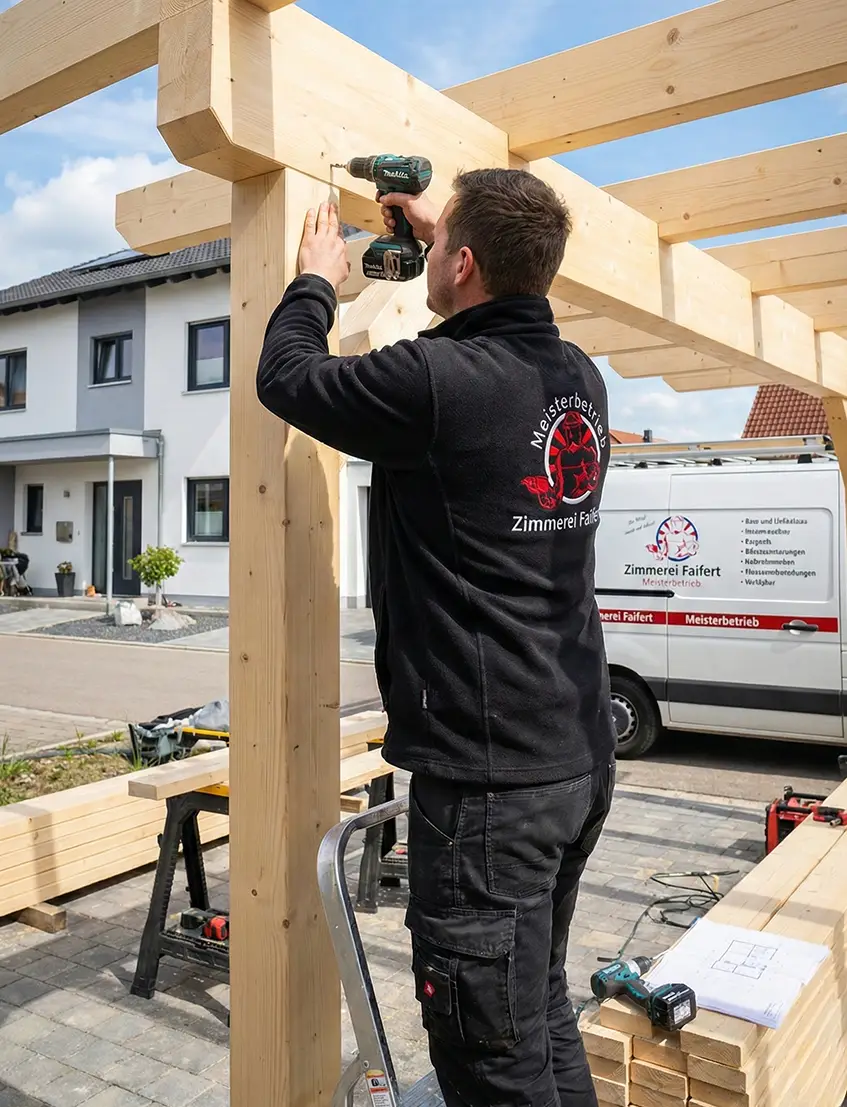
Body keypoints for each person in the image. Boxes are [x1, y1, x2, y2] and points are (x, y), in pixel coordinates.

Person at [256, 167, 617, 1107]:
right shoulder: (577, 378)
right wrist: (452, 239)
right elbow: (490, 329)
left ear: (461, 261)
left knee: (490, 1058)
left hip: (490, 788)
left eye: (443, 235)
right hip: (574, 757)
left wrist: (314, 283)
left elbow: (286, 378)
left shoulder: (436, 382)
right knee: (535, 1013)